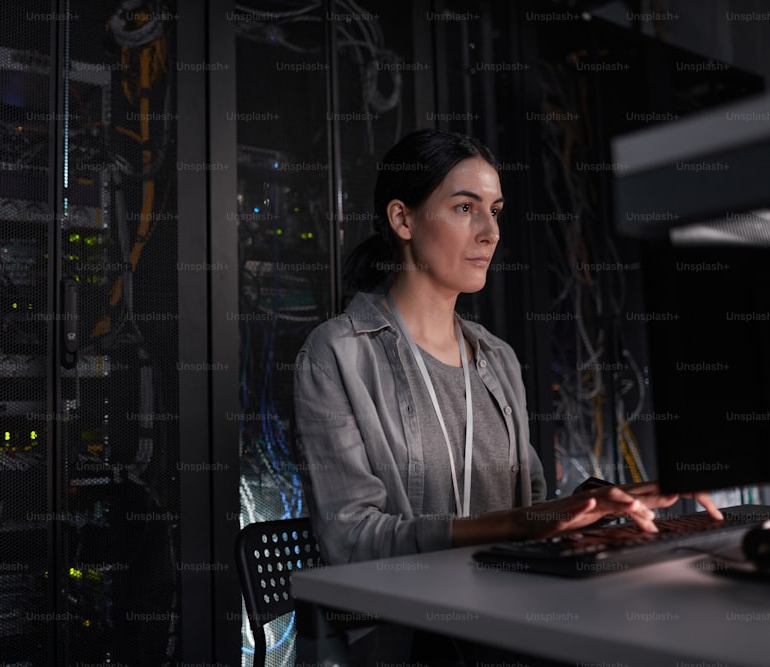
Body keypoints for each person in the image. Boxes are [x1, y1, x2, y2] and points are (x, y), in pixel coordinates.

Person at [291, 128, 721, 663]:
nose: (490, 231)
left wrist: (613, 501)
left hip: (509, 622)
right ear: (403, 219)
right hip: (409, 641)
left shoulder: (497, 357)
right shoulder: (337, 353)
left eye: (495, 210)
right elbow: (351, 541)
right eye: (465, 207)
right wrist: (528, 521)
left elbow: (536, 510)